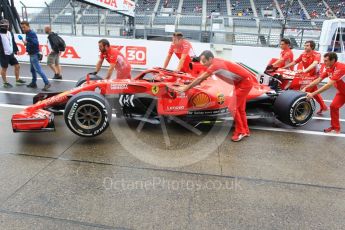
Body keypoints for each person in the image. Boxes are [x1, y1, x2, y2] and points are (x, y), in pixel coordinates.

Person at [171, 50, 254, 142]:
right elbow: (201, 78)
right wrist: (187, 85)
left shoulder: (215, 65)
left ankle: (240, 132)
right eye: (202, 62)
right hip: (242, 82)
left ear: (210, 59)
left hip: (245, 83)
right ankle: (245, 130)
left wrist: (185, 88)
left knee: (232, 107)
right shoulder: (215, 63)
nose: (203, 64)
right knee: (240, 109)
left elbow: (200, 78)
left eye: (205, 61)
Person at [303, 52, 345, 134]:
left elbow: (329, 85)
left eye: (326, 61)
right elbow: (318, 80)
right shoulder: (329, 68)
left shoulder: (341, 68)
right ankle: (336, 129)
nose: (324, 62)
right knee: (333, 106)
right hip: (342, 92)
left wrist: (313, 94)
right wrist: (306, 87)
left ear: (333, 60)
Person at [283, 40, 328, 115]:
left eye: (307, 45)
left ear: (312, 47)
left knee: (305, 91)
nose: (305, 47)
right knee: (313, 92)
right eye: (305, 45)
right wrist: (284, 67)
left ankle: (301, 108)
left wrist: (304, 71)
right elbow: (295, 62)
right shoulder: (303, 54)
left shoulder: (317, 54)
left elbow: (314, 64)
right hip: (307, 75)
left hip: (315, 76)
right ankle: (323, 107)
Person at [19, 21, 51, 91]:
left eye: (24, 27)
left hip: (34, 54)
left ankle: (47, 83)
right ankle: (33, 83)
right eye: (22, 27)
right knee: (32, 70)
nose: (23, 29)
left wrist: (26, 43)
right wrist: (27, 43)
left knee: (38, 70)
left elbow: (35, 43)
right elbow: (31, 43)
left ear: (28, 26)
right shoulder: (28, 33)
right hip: (32, 54)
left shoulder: (31, 33)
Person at [0, 19, 25, 88]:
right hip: (3, 54)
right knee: (4, 68)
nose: (6, 27)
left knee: (17, 66)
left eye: (7, 25)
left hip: (11, 53)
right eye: (4, 25)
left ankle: (17, 80)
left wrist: (15, 50)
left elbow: (13, 42)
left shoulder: (10, 33)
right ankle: (5, 82)